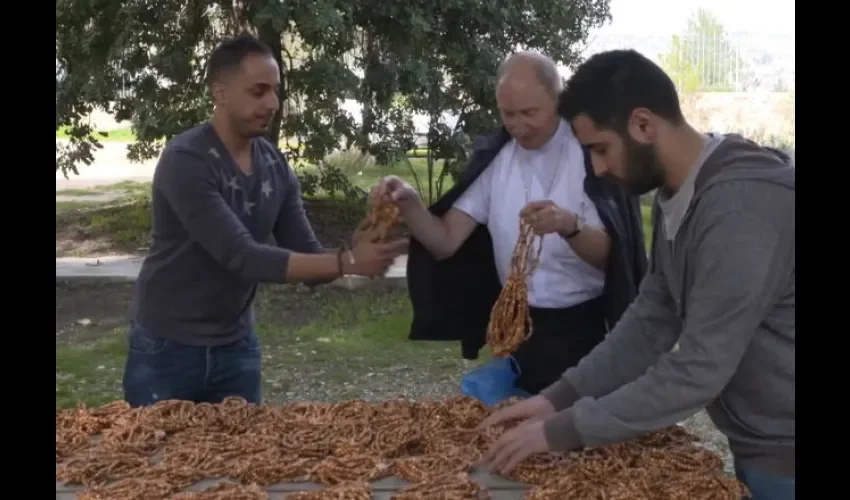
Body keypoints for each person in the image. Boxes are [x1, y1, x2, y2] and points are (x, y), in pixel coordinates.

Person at [478, 49, 795, 500]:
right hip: (764, 443)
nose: (599, 169)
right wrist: (557, 398)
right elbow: (652, 319)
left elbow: (698, 370)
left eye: (600, 149)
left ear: (644, 125)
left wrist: (563, 430)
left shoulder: (737, 210)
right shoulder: (682, 193)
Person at [122, 34, 408, 407]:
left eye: (275, 92)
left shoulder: (273, 164)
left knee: (243, 462)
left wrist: (366, 235)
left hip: (236, 349)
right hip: (167, 349)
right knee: (156, 461)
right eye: (258, 92)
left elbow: (306, 256)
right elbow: (242, 256)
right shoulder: (187, 160)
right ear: (220, 92)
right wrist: (348, 262)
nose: (272, 103)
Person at [371, 52, 647, 400]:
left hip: (584, 328)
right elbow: (445, 241)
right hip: (516, 326)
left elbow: (618, 256)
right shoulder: (498, 159)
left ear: (557, 101)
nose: (517, 125)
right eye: (507, 114)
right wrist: (409, 204)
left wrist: (569, 226)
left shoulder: (591, 155)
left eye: (529, 113)